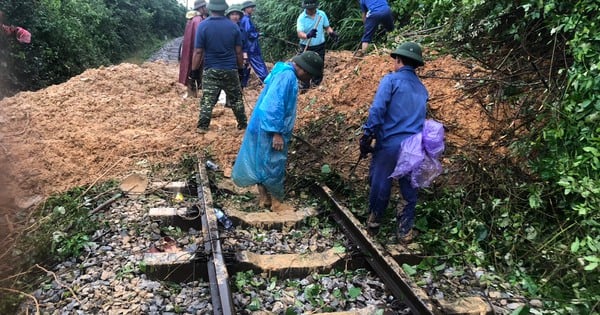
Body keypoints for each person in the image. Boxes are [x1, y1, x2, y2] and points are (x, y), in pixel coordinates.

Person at [231, 51, 324, 212]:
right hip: (269, 128)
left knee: (261, 162)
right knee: (273, 163)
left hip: (262, 124)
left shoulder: (282, 70)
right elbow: (273, 105)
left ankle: (264, 199)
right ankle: (275, 202)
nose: (309, 80)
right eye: (310, 76)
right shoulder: (286, 77)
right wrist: (276, 133)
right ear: (304, 70)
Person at [360, 42, 427, 243]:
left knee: (381, 182)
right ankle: (405, 230)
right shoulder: (422, 90)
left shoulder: (390, 81)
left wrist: (367, 135)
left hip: (390, 143)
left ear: (399, 60)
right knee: (408, 187)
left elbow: (378, 109)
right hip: (414, 146)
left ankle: (374, 222)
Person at [191, 0, 247, 133]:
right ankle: (243, 125)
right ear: (225, 10)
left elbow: (198, 52)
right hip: (230, 69)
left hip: (211, 69)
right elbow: (238, 52)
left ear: (210, 8)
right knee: (236, 100)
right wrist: (240, 70)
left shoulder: (203, 26)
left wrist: (193, 71)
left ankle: (202, 127)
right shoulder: (234, 27)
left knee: (208, 100)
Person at [296, 0, 338, 91]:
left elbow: (327, 27)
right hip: (306, 46)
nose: (311, 10)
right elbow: (299, 33)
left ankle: (316, 85)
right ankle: (304, 86)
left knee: (319, 65)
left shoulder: (321, 14)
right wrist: (307, 36)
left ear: (316, 6)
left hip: (319, 46)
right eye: (309, 9)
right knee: (304, 67)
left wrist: (332, 33)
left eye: (313, 8)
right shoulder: (302, 18)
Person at [179, 0, 208, 98]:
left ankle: (191, 93)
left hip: (189, 50)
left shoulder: (192, 19)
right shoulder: (199, 20)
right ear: (202, 8)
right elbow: (200, 39)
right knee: (196, 71)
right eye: (205, 6)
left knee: (190, 70)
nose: (207, 8)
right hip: (196, 51)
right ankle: (193, 95)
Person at [239, 0, 269, 85]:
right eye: (251, 7)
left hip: (248, 48)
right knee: (259, 65)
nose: (253, 9)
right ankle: (267, 82)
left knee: (246, 67)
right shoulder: (246, 20)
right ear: (246, 9)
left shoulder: (244, 19)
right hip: (251, 48)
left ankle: (242, 84)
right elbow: (250, 34)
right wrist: (259, 34)